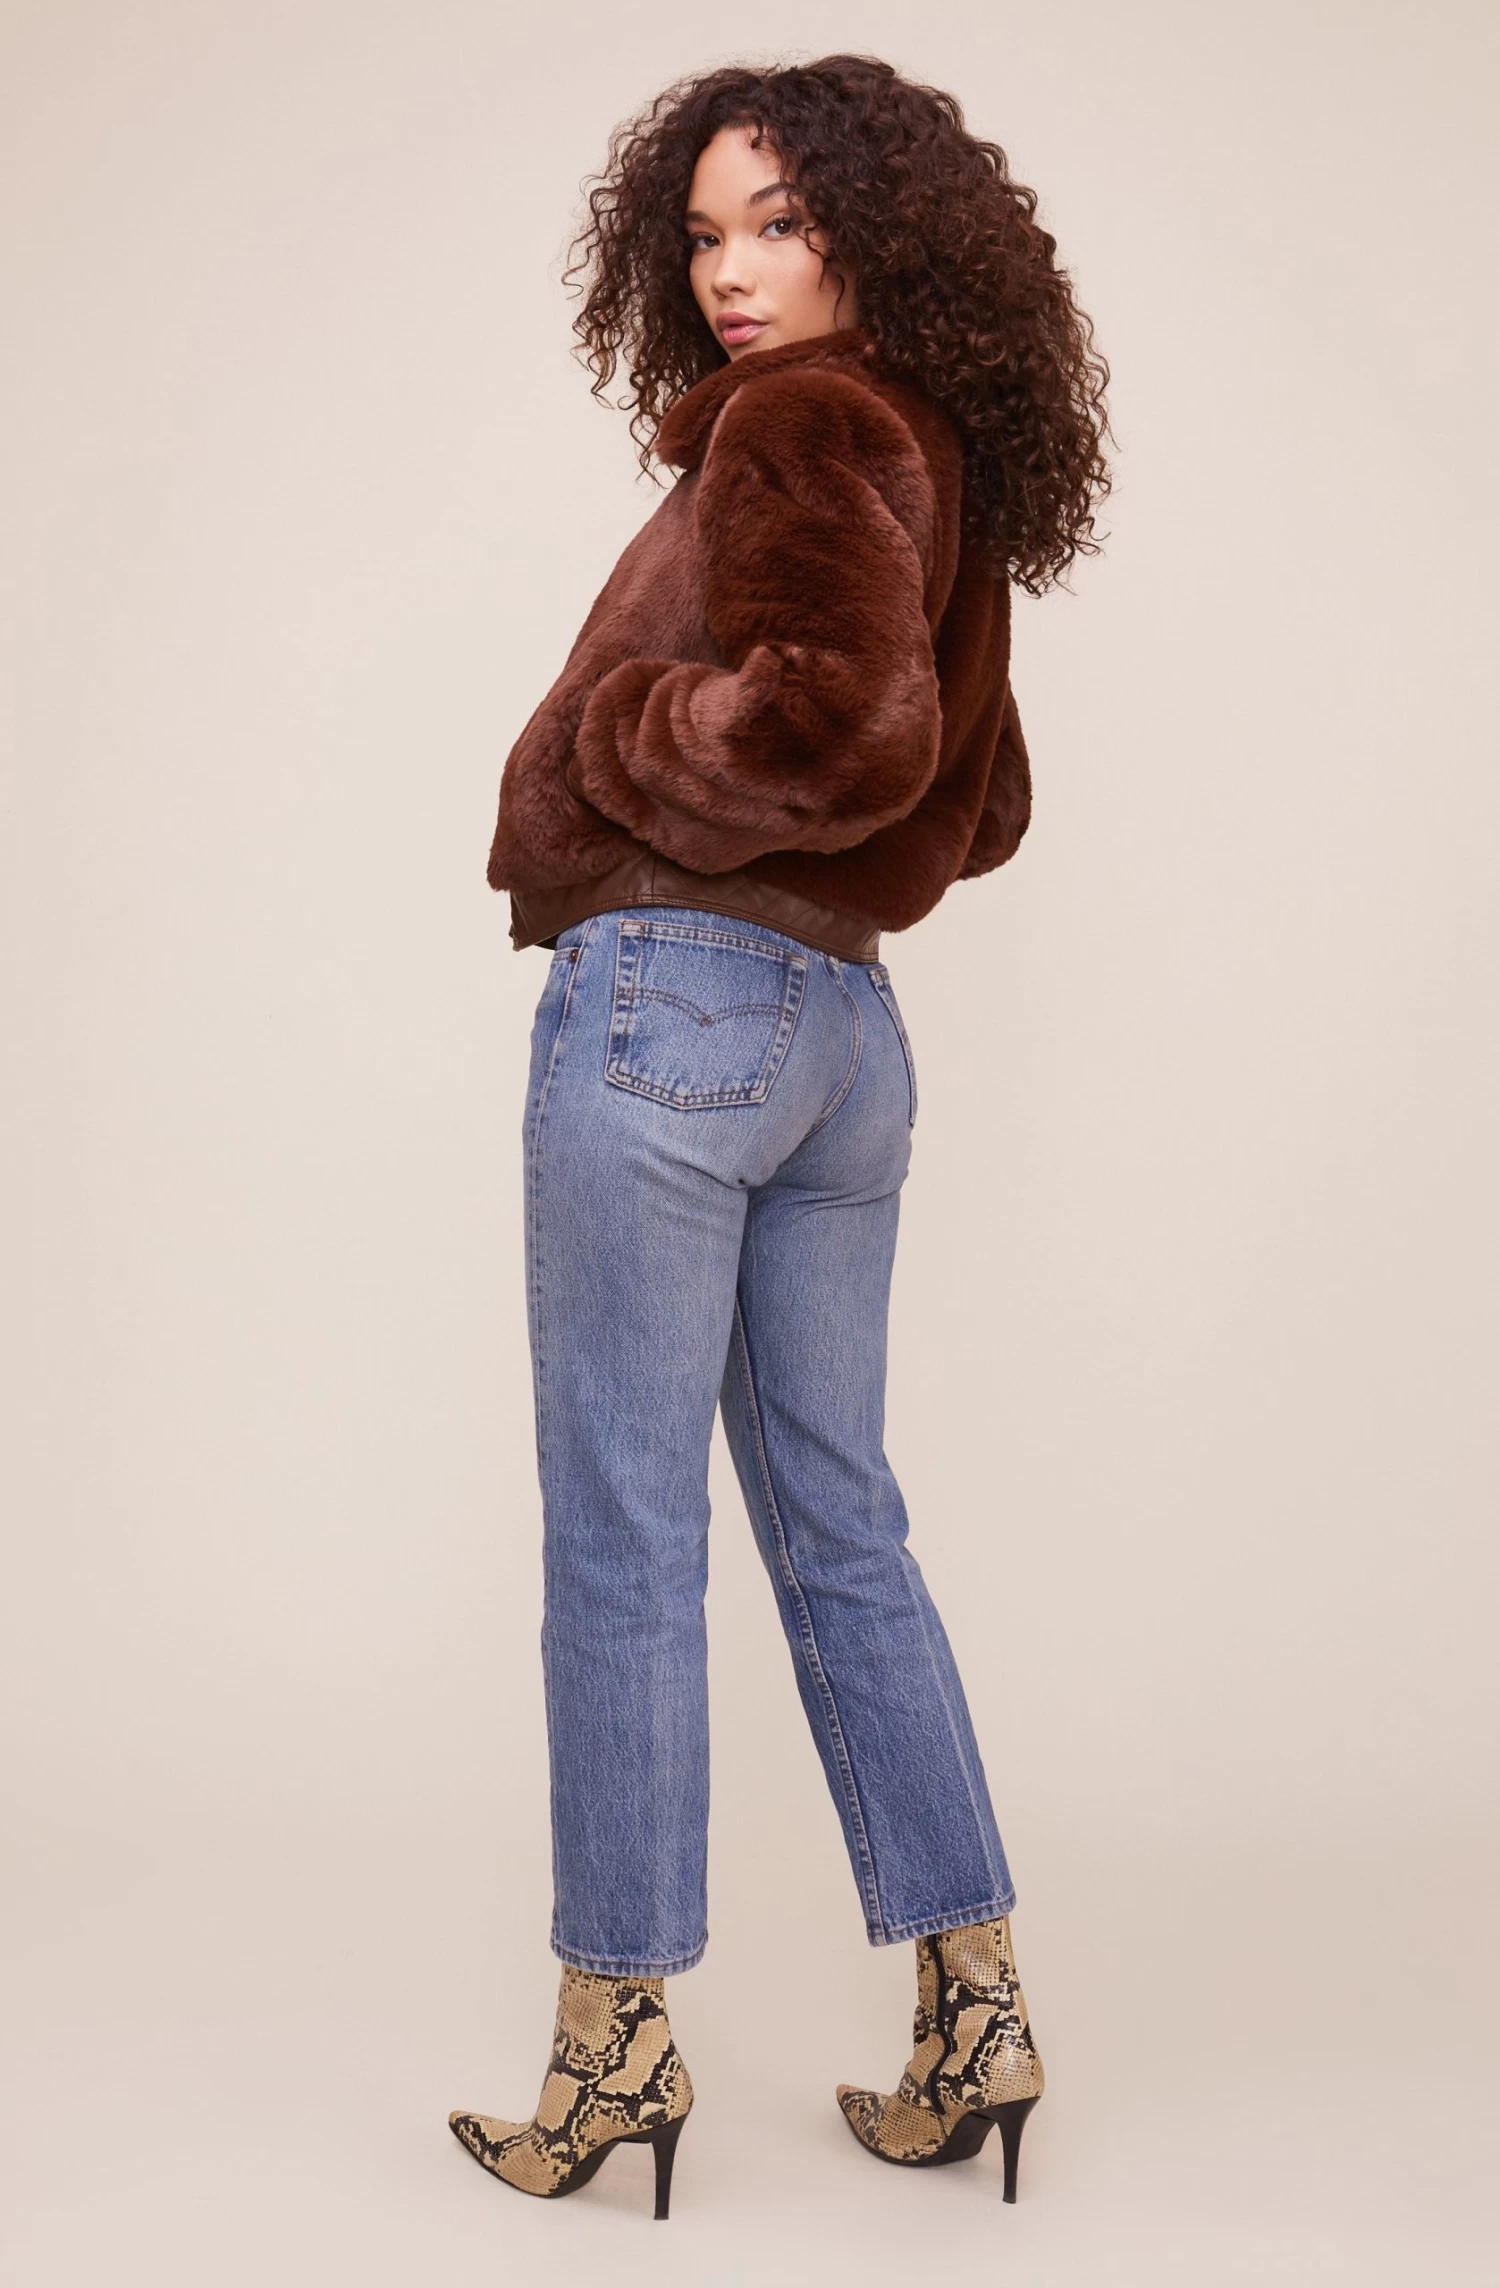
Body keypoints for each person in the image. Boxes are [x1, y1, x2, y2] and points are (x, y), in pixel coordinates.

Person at [447, 52, 1111, 2220]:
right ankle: (975, 2006)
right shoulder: (936, 451)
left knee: (624, 1530)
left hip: (679, 1009)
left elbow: (845, 729)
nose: (732, 273)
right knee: (841, 1522)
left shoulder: (798, 426)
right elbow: (977, 799)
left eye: (780, 225)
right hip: (844, 1037)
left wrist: (611, 737)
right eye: (707, 233)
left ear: (872, 238)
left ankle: (612, 2046)